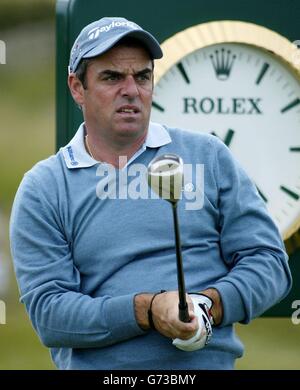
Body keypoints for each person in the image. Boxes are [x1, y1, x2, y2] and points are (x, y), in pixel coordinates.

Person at [10, 16, 292, 370]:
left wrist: (207, 304)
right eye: (112, 77)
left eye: (142, 76)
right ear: (77, 88)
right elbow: (50, 314)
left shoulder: (209, 155)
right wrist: (147, 310)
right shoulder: (44, 188)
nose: (131, 90)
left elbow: (269, 263)